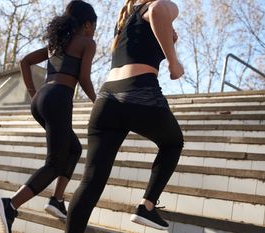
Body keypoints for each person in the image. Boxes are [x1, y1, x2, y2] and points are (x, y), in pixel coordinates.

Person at [66, 0, 184, 232]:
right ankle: (147, 206)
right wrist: (173, 62)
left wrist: (168, 40)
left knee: (90, 182)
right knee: (173, 143)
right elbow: (160, 8)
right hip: (139, 92)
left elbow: (140, 45)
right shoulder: (160, 5)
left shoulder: (125, 20)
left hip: (106, 98)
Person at [0, 1, 97, 232]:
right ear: (88, 25)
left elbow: (25, 61)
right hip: (59, 99)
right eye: (94, 26)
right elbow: (84, 78)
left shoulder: (56, 44)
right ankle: (10, 205)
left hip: (41, 100)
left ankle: (56, 201)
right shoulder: (87, 42)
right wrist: (98, 102)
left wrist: (33, 93)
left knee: (73, 149)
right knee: (53, 163)